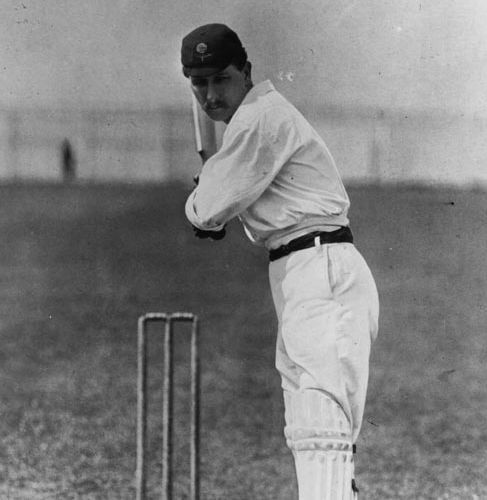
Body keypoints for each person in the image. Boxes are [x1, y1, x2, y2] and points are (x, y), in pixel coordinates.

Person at [181, 23, 379, 500]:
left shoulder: (260, 119)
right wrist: (212, 185)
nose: (210, 94)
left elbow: (206, 213)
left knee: (322, 423)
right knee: (311, 427)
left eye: (220, 79)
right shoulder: (250, 122)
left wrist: (205, 191)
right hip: (300, 270)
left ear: (246, 72)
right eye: (199, 83)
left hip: (320, 266)